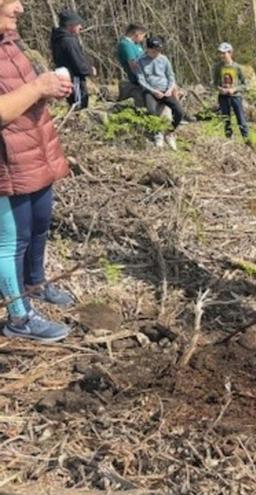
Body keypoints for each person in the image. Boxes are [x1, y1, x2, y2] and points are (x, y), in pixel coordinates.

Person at [1, 0, 76, 342]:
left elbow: (24, 94)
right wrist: (37, 88)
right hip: (7, 162)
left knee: (40, 225)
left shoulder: (9, 43)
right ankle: (19, 316)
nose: (20, 8)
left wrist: (51, 90)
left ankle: (36, 284)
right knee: (11, 241)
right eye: (11, 1)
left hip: (34, 153)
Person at [137, 36, 185, 150]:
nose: (156, 53)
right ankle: (158, 135)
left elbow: (170, 76)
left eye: (158, 50)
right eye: (154, 51)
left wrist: (169, 89)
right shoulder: (141, 61)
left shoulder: (164, 59)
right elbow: (141, 80)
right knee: (152, 111)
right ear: (148, 49)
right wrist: (154, 91)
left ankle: (170, 132)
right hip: (150, 91)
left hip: (165, 91)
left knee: (179, 111)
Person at [49, 9, 93, 110]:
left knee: (74, 104)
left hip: (67, 77)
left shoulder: (58, 39)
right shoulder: (69, 41)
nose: (80, 27)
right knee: (79, 106)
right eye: (78, 25)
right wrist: (90, 70)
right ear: (70, 25)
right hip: (74, 78)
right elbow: (78, 63)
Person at [213, 42, 251, 145]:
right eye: (220, 53)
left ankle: (247, 141)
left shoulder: (238, 67)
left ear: (230, 53)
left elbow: (246, 84)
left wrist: (234, 89)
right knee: (226, 120)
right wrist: (219, 89)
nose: (221, 56)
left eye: (224, 53)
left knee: (241, 120)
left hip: (236, 97)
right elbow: (214, 83)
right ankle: (229, 141)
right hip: (223, 97)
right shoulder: (217, 67)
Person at [116, 23, 147, 107]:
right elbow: (133, 65)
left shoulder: (136, 45)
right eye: (142, 36)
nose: (142, 39)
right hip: (137, 78)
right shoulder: (125, 45)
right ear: (136, 34)